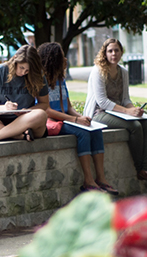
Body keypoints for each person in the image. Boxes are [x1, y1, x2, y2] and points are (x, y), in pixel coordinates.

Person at [38, 42, 118, 195]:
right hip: (53, 122)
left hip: (65, 118)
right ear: (53, 60)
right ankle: (88, 180)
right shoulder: (42, 82)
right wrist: (74, 120)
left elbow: (68, 107)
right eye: (61, 56)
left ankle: (101, 178)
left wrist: (82, 117)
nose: (65, 59)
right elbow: (46, 110)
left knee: (95, 130)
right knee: (83, 133)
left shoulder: (60, 80)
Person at [84, 38, 147, 184]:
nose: (114, 54)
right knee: (135, 127)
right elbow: (102, 102)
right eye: (110, 51)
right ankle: (140, 169)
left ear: (121, 52)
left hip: (118, 112)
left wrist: (134, 109)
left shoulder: (123, 72)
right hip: (98, 113)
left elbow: (125, 98)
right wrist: (127, 111)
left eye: (117, 50)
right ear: (105, 53)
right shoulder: (98, 71)